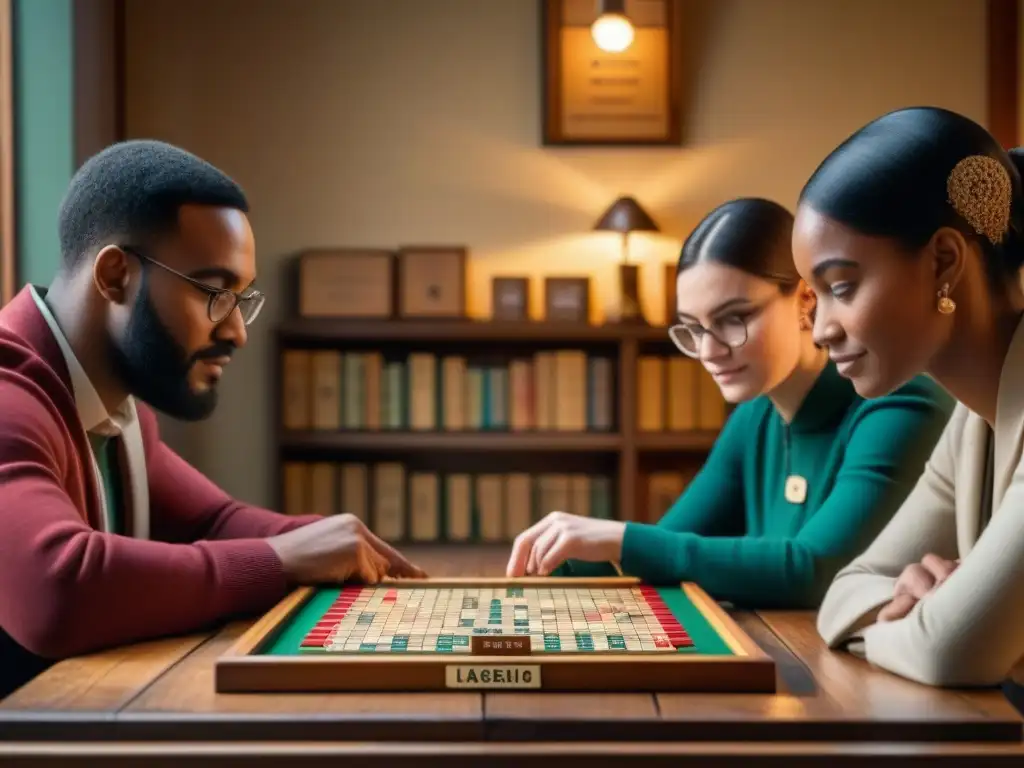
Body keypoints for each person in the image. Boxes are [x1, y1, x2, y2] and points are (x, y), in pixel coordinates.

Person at [0, 140, 424, 697]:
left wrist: (333, 542)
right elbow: (56, 591)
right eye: (214, 293)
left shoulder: (115, 412)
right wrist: (280, 558)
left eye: (242, 299)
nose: (236, 331)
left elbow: (212, 522)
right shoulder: (10, 396)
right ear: (114, 276)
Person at [506, 197, 954, 609]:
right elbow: (667, 549)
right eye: (693, 328)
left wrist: (620, 539)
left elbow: (814, 570)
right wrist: (558, 553)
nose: (708, 350)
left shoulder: (896, 403)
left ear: (805, 299)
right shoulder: (754, 418)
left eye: (733, 319)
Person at [796, 106, 1024, 700]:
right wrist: (917, 614)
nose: (821, 330)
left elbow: (954, 649)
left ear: (944, 262)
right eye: (814, 297)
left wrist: (929, 619)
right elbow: (845, 590)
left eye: (841, 287)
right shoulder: (971, 420)